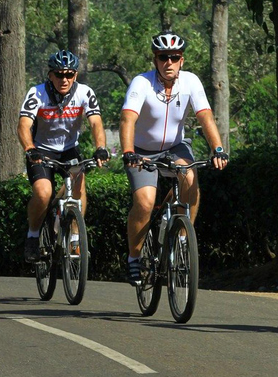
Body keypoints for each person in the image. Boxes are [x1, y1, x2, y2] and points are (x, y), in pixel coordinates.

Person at [120, 31, 229, 285]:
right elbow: (128, 119)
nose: (168, 62)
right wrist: (128, 152)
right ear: (155, 59)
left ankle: (181, 235)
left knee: (190, 177)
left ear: (182, 60)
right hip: (142, 151)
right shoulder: (141, 83)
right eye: (162, 57)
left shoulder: (190, 82)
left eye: (174, 57)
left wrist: (218, 149)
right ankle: (134, 258)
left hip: (175, 147)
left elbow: (205, 117)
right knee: (145, 203)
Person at [18, 49, 109, 262]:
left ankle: (75, 239)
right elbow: (23, 125)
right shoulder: (37, 93)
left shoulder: (85, 93)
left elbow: (95, 122)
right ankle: (32, 236)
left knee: (78, 187)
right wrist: (30, 149)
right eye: (59, 74)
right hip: (41, 150)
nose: (64, 79)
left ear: (75, 75)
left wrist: (101, 147)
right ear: (50, 75)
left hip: (69, 149)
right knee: (43, 193)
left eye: (69, 74)